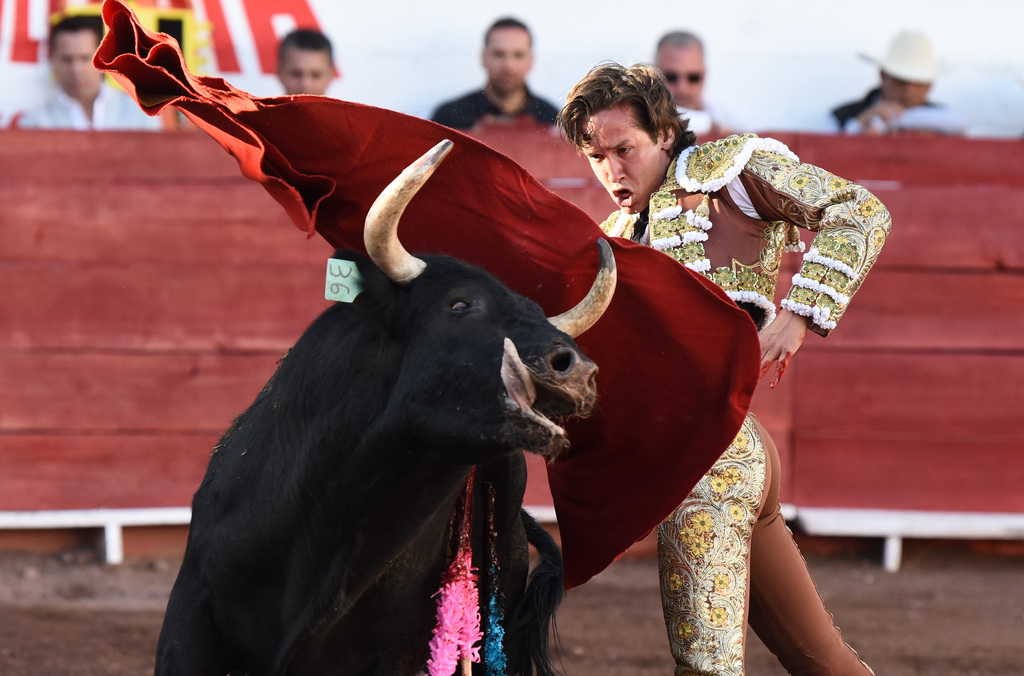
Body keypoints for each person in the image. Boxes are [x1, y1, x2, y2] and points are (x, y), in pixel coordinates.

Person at [558, 62, 891, 675]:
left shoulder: (729, 174)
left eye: (624, 149)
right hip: (719, 457)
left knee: (706, 671)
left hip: (714, 462)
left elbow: (860, 210)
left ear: (662, 133)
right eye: (595, 156)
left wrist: (800, 315)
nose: (611, 172)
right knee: (820, 659)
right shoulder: (608, 237)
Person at [17, 15, 160, 130]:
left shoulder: (139, 113)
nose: (76, 69)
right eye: (67, 59)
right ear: (53, 60)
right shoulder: (35, 122)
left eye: (85, 58)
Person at [431, 17, 559, 130]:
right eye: (499, 54)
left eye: (518, 55)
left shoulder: (552, 119)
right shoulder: (449, 118)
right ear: (483, 57)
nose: (508, 66)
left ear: (531, 61)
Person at [832, 30, 966, 135]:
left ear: (929, 85)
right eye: (901, 80)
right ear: (883, 76)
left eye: (918, 82)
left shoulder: (946, 123)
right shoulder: (840, 117)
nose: (909, 89)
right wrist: (858, 125)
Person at [654, 31, 731, 140]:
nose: (682, 88)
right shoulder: (640, 113)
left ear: (704, 76)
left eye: (693, 77)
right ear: (653, 73)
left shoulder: (727, 116)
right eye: (671, 77)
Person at [276, 28, 337, 96]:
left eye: (316, 75)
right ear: (280, 71)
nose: (305, 85)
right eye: (296, 74)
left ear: (330, 74)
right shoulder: (262, 107)